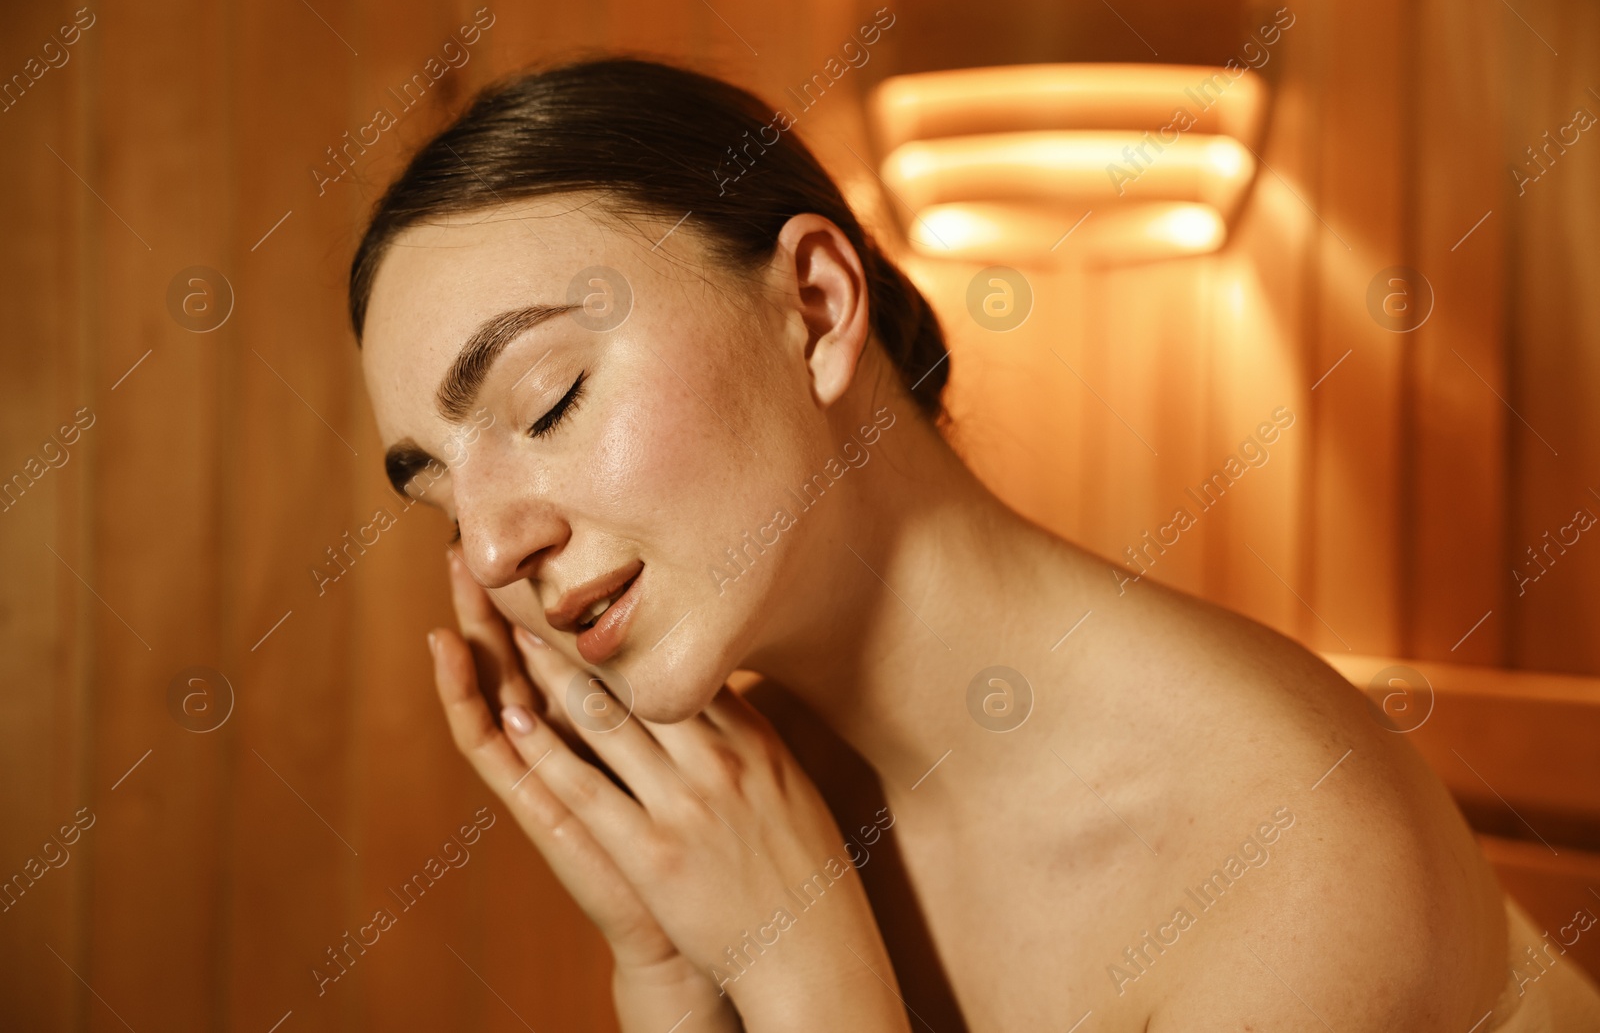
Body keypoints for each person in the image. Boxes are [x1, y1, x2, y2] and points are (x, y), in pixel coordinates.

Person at [349, 57, 1600, 1031]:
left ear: (817, 307)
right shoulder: (748, 820)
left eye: (550, 400)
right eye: (441, 498)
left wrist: (805, 976)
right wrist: (672, 973)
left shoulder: (1289, 849)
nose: (496, 544)